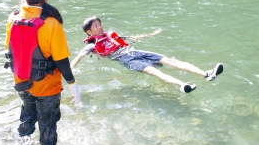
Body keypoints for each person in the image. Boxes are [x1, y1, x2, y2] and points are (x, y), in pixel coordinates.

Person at [4, 0, 81, 145]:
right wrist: (73, 85)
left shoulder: (13, 17)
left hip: (21, 81)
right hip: (46, 86)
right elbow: (61, 60)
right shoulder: (51, 23)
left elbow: (10, 50)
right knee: (48, 123)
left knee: (28, 114)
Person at [71, 16, 223, 94]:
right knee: (155, 71)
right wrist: (68, 70)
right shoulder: (92, 45)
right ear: (89, 32)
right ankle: (183, 85)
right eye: (95, 26)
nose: (99, 27)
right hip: (125, 59)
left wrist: (151, 34)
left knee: (169, 60)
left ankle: (207, 74)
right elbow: (79, 57)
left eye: (99, 24)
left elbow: (134, 38)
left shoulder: (111, 35)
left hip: (136, 51)